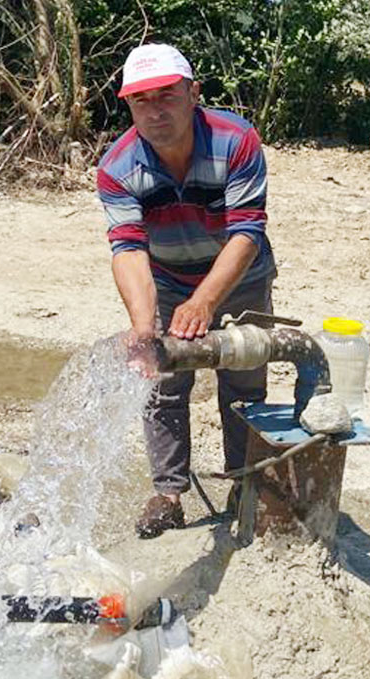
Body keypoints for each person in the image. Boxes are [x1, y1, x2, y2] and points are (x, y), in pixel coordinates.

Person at [96, 43, 277, 539]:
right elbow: (128, 248)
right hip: (169, 277)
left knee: (243, 380)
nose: (155, 111)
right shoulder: (117, 167)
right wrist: (143, 326)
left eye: (167, 96)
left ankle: (244, 481)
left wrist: (206, 302)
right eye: (141, 101)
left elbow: (246, 231)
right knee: (163, 384)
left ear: (193, 93)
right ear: (128, 105)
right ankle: (169, 492)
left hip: (241, 277)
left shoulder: (235, 140)